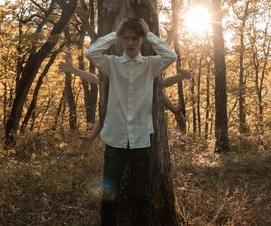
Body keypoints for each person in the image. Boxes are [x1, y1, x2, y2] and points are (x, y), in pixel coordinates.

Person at [84, 17, 177, 226]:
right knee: (109, 198)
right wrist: (114, 34)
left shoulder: (152, 65)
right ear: (121, 39)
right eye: (125, 38)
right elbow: (91, 53)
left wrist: (150, 33)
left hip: (142, 139)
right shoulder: (112, 63)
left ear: (141, 40)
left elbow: (171, 55)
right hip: (115, 139)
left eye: (135, 38)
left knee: (142, 196)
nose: (130, 43)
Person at [59, 55, 192, 153]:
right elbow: (95, 80)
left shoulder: (141, 80)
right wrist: (73, 70)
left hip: (142, 130)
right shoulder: (116, 87)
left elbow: (159, 86)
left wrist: (175, 109)